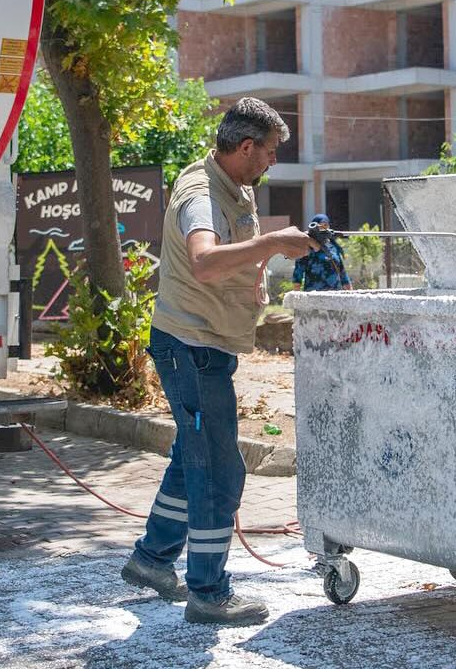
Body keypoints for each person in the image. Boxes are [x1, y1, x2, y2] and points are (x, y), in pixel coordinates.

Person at [120, 97, 317, 626]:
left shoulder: (235, 186)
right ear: (246, 146)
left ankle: (151, 560)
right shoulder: (201, 195)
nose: (274, 161)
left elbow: (228, 255)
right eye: (271, 151)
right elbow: (205, 261)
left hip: (205, 345)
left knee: (193, 457)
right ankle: (208, 592)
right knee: (219, 470)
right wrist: (272, 243)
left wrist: (256, 265)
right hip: (191, 348)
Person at [292, 213, 351, 292]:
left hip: (335, 295)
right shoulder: (306, 247)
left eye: (326, 225)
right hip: (313, 295)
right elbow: (298, 273)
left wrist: (349, 290)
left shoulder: (333, 247)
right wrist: (296, 294)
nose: (324, 228)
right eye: (321, 226)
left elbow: (342, 272)